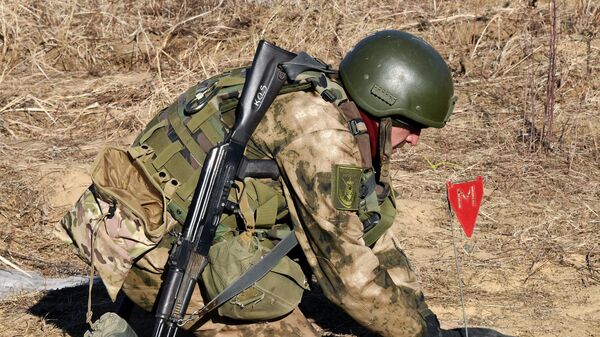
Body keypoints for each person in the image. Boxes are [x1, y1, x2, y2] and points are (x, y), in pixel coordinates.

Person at [59, 30, 513, 337]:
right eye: (410, 125)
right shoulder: (318, 132)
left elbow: (370, 231)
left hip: (140, 232)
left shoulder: (318, 92)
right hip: (152, 259)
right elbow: (346, 272)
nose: (414, 139)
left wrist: (423, 321)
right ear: (381, 107)